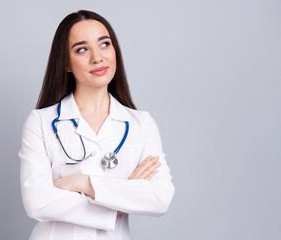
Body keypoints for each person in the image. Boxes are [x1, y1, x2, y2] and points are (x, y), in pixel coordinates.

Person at [19, 10, 175, 240]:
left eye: (104, 44)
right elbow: (37, 202)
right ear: (66, 64)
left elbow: (160, 197)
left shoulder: (141, 124)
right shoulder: (41, 122)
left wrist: (82, 183)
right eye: (82, 49)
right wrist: (122, 199)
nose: (97, 58)